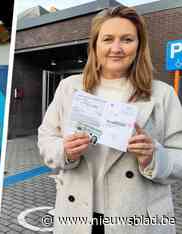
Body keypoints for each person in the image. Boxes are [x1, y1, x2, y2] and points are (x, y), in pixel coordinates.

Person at [38, 6, 182, 234]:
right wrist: (64, 150)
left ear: (139, 45)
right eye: (108, 39)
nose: (116, 48)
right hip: (77, 216)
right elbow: (46, 137)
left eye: (127, 39)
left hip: (138, 219)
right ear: (95, 45)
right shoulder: (70, 87)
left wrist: (153, 156)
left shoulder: (162, 94)